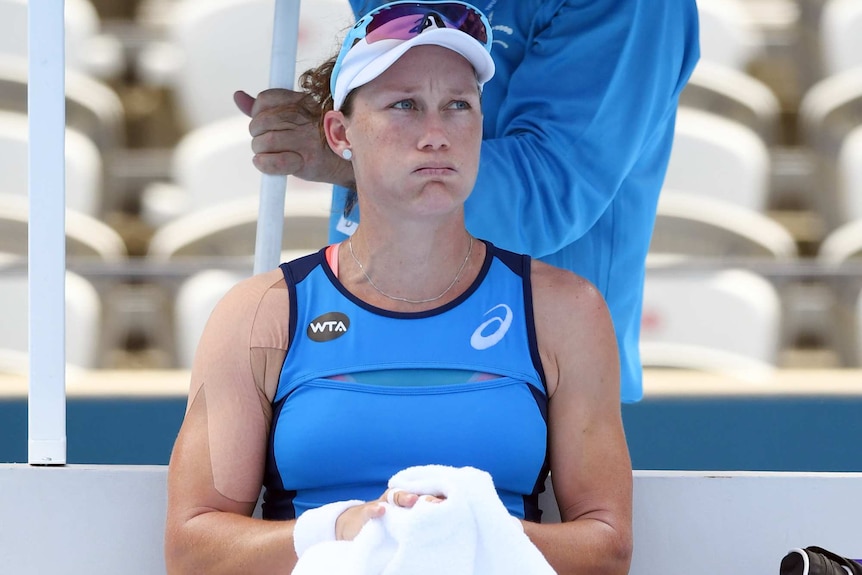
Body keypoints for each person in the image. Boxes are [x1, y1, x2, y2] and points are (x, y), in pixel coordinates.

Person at [166, 2, 632, 574]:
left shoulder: (566, 312)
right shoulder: (261, 313)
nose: (436, 134)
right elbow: (193, 552)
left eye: (458, 105)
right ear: (339, 133)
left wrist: (461, 530)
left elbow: (607, 549)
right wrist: (341, 528)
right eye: (404, 105)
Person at [235, 0, 701, 404]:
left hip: (538, 374)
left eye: (460, 106)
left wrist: (344, 153)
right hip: (357, 344)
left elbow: (548, 187)